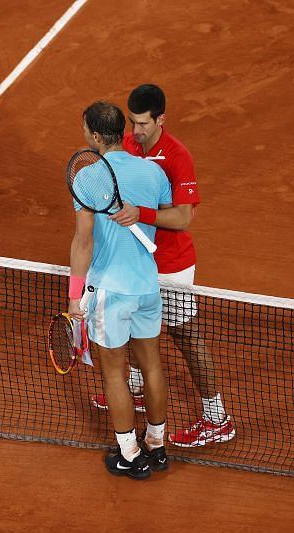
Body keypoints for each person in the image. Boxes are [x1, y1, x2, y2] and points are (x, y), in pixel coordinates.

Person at [92, 84, 236, 448]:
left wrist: (141, 214)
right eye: (133, 123)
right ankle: (137, 392)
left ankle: (216, 417)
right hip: (138, 262)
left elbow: (184, 218)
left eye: (143, 124)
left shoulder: (176, 155)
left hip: (171, 264)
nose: (136, 132)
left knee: (185, 336)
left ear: (161, 120)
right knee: (139, 329)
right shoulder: (126, 145)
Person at [69, 101, 172, 479]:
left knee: (114, 374)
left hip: (111, 292)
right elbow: (161, 217)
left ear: (95, 136)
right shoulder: (153, 173)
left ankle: (130, 452)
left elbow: (84, 243)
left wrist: (74, 295)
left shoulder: (89, 178)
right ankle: (157, 445)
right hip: (147, 286)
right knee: (152, 365)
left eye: (85, 130)